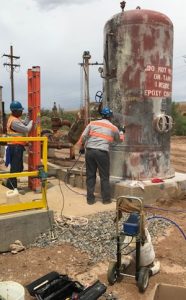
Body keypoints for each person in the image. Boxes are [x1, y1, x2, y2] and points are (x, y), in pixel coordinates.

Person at [79, 107, 122, 205]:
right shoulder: (113, 127)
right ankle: (106, 200)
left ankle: (90, 199)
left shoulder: (92, 123)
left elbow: (84, 136)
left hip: (89, 152)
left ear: (101, 115)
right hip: (102, 153)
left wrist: (82, 147)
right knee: (104, 177)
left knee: (90, 175)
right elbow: (118, 140)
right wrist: (122, 132)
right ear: (110, 117)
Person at [6, 100, 33, 190]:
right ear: (15, 111)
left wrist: (29, 114)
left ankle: (10, 184)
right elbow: (26, 129)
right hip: (15, 146)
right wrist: (33, 121)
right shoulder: (14, 121)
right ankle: (12, 187)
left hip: (17, 146)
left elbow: (24, 123)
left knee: (18, 167)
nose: (22, 111)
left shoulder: (15, 119)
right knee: (15, 168)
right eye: (20, 110)